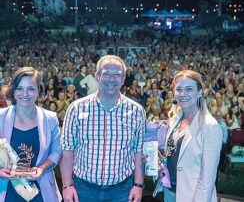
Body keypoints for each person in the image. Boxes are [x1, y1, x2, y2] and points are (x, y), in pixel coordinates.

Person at [60, 55, 146, 202]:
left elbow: (138, 151)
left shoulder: (136, 111)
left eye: (117, 75)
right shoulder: (76, 108)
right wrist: (67, 186)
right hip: (83, 189)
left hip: (122, 190)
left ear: (124, 78)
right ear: (97, 76)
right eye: (106, 73)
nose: (111, 79)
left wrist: (138, 185)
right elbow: (67, 150)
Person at [157, 70, 222, 202]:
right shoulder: (176, 120)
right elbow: (173, 154)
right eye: (178, 89)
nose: (183, 94)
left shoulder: (210, 127)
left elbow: (207, 180)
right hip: (169, 192)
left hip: (192, 196)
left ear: (199, 92)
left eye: (189, 89)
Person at [0, 67, 62, 202]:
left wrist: (42, 168)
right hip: (7, 191)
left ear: (39, 91)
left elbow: (56, 152)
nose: (25, 93)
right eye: (20, 88)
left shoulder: (50, 118)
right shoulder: (1, 117)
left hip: (42, 191)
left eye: (31, 89)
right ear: (13, 92)